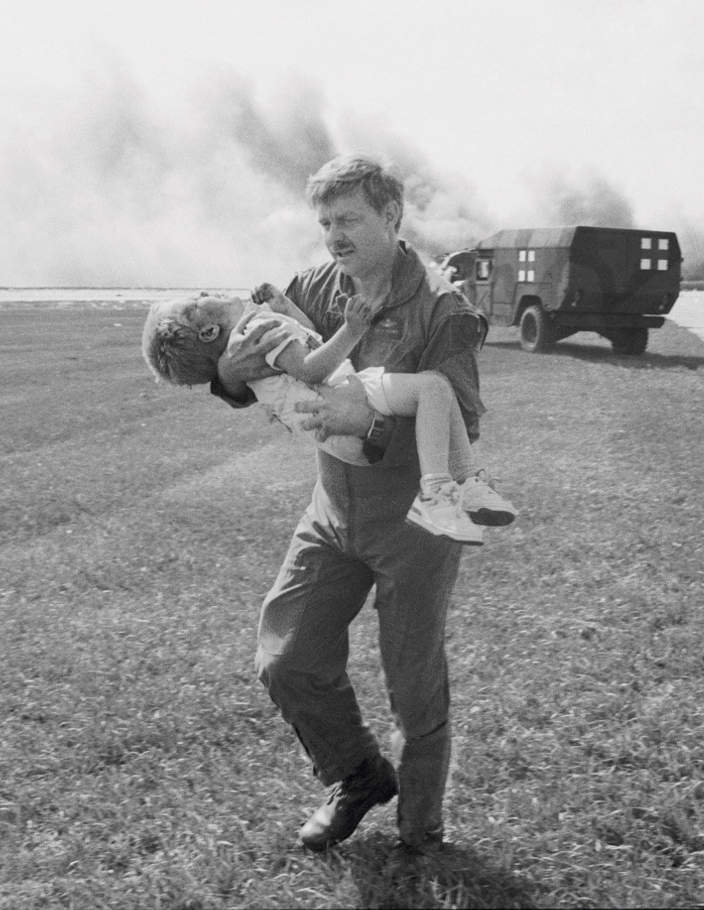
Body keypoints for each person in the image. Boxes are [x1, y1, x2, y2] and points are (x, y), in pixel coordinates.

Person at [210, 153, 499, 856]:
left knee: (412, 680)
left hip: (412, 521)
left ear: (392, 216)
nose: (334, 235)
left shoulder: (441, 306)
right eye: (325, 221)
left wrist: (365, 419)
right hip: (332, 510)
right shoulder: (313, 285)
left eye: (349, 219)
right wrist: (229, 373)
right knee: (287, 657)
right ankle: (356, 775)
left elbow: (462, 413)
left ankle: (422, 830)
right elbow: (269, 358)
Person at [141, 288, 515, 544]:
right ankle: (439, 493)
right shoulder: (258, 333)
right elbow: (309, 368)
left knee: (437, 388)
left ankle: (467, 486)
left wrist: (286, 306)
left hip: (341, 407)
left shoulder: (257, 331)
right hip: (342, 395)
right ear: (208, 330)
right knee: (434, 389)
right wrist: (353, 330)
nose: (206, 293)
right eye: (197, 301)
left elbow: (310, 339)